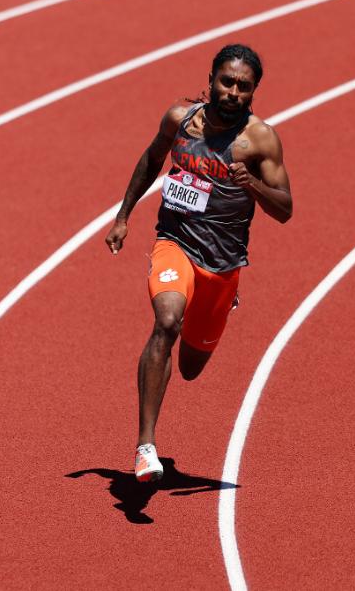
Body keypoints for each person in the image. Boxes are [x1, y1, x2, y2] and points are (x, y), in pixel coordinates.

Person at [104, 44, 292, 482]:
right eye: (226, 81)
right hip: (175, 240)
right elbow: (152, 160)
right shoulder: (179, 119)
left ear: (253, 93)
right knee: (166, 321)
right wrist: (123, 216)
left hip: (223, 262)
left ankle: (222, 301)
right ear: (210, 81)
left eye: (243, 87)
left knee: (191, 367)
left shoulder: (259, 140)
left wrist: (254, 187)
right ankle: (145, 447)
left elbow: (285, 209)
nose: (233, 92)